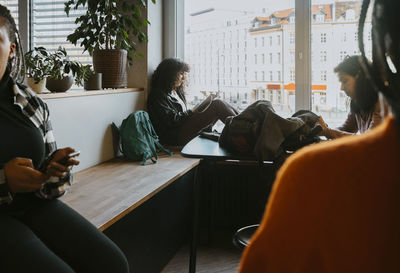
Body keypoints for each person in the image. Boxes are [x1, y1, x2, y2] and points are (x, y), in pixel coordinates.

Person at [239, 0, 400, 272]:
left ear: (377, 67)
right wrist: (326, 130)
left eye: (345, 82)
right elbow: (350, 133)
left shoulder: (311, 174)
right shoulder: (357, 106)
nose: (343, 88)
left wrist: (326, 132)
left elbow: (358, 140)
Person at [0, 5, 129, 273]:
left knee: (113, 264)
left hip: (35, 206)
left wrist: (52, 171)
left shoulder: (30, 103)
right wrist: (5, 180)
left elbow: (53, 186)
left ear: (11, 48)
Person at [147, 58, 238, 146]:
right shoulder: (157, 95)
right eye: (181, 73)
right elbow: (171, 121)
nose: (183, 77)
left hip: (181, 130)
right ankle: (244, 129)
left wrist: (201, 106)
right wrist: (193, 110)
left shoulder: (175, 93)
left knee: (220, 102)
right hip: (175, 137)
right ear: (170, 74)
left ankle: (245, 125)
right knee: (217, 104)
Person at [318, 55, 387, 139]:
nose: (341, 88)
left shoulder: (383, 101)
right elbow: (347, 128)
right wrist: (323, 130)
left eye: (345, 81)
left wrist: (328, 132)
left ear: (360, 78)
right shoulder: (357, 101)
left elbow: (369, 139)